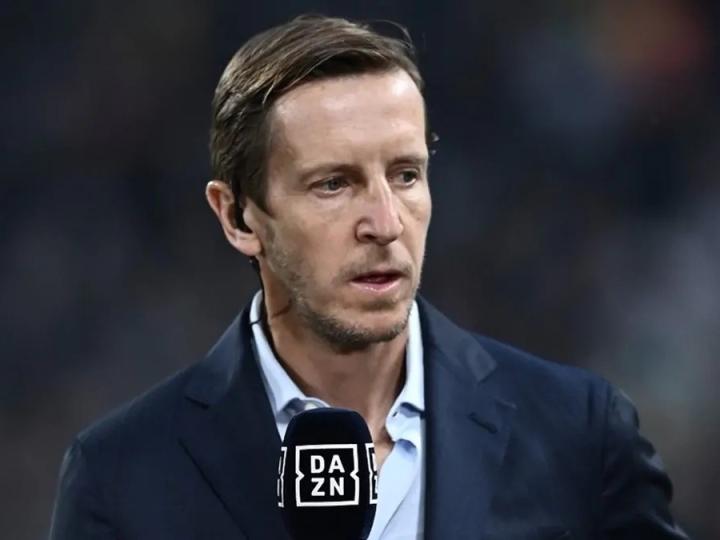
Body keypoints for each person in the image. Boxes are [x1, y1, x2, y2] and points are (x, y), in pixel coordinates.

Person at [49, 14, 688, 540]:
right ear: (238, 216)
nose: (385, 223)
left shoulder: (579, 436)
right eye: (334, 184)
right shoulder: (121, 476)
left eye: (406, 175)